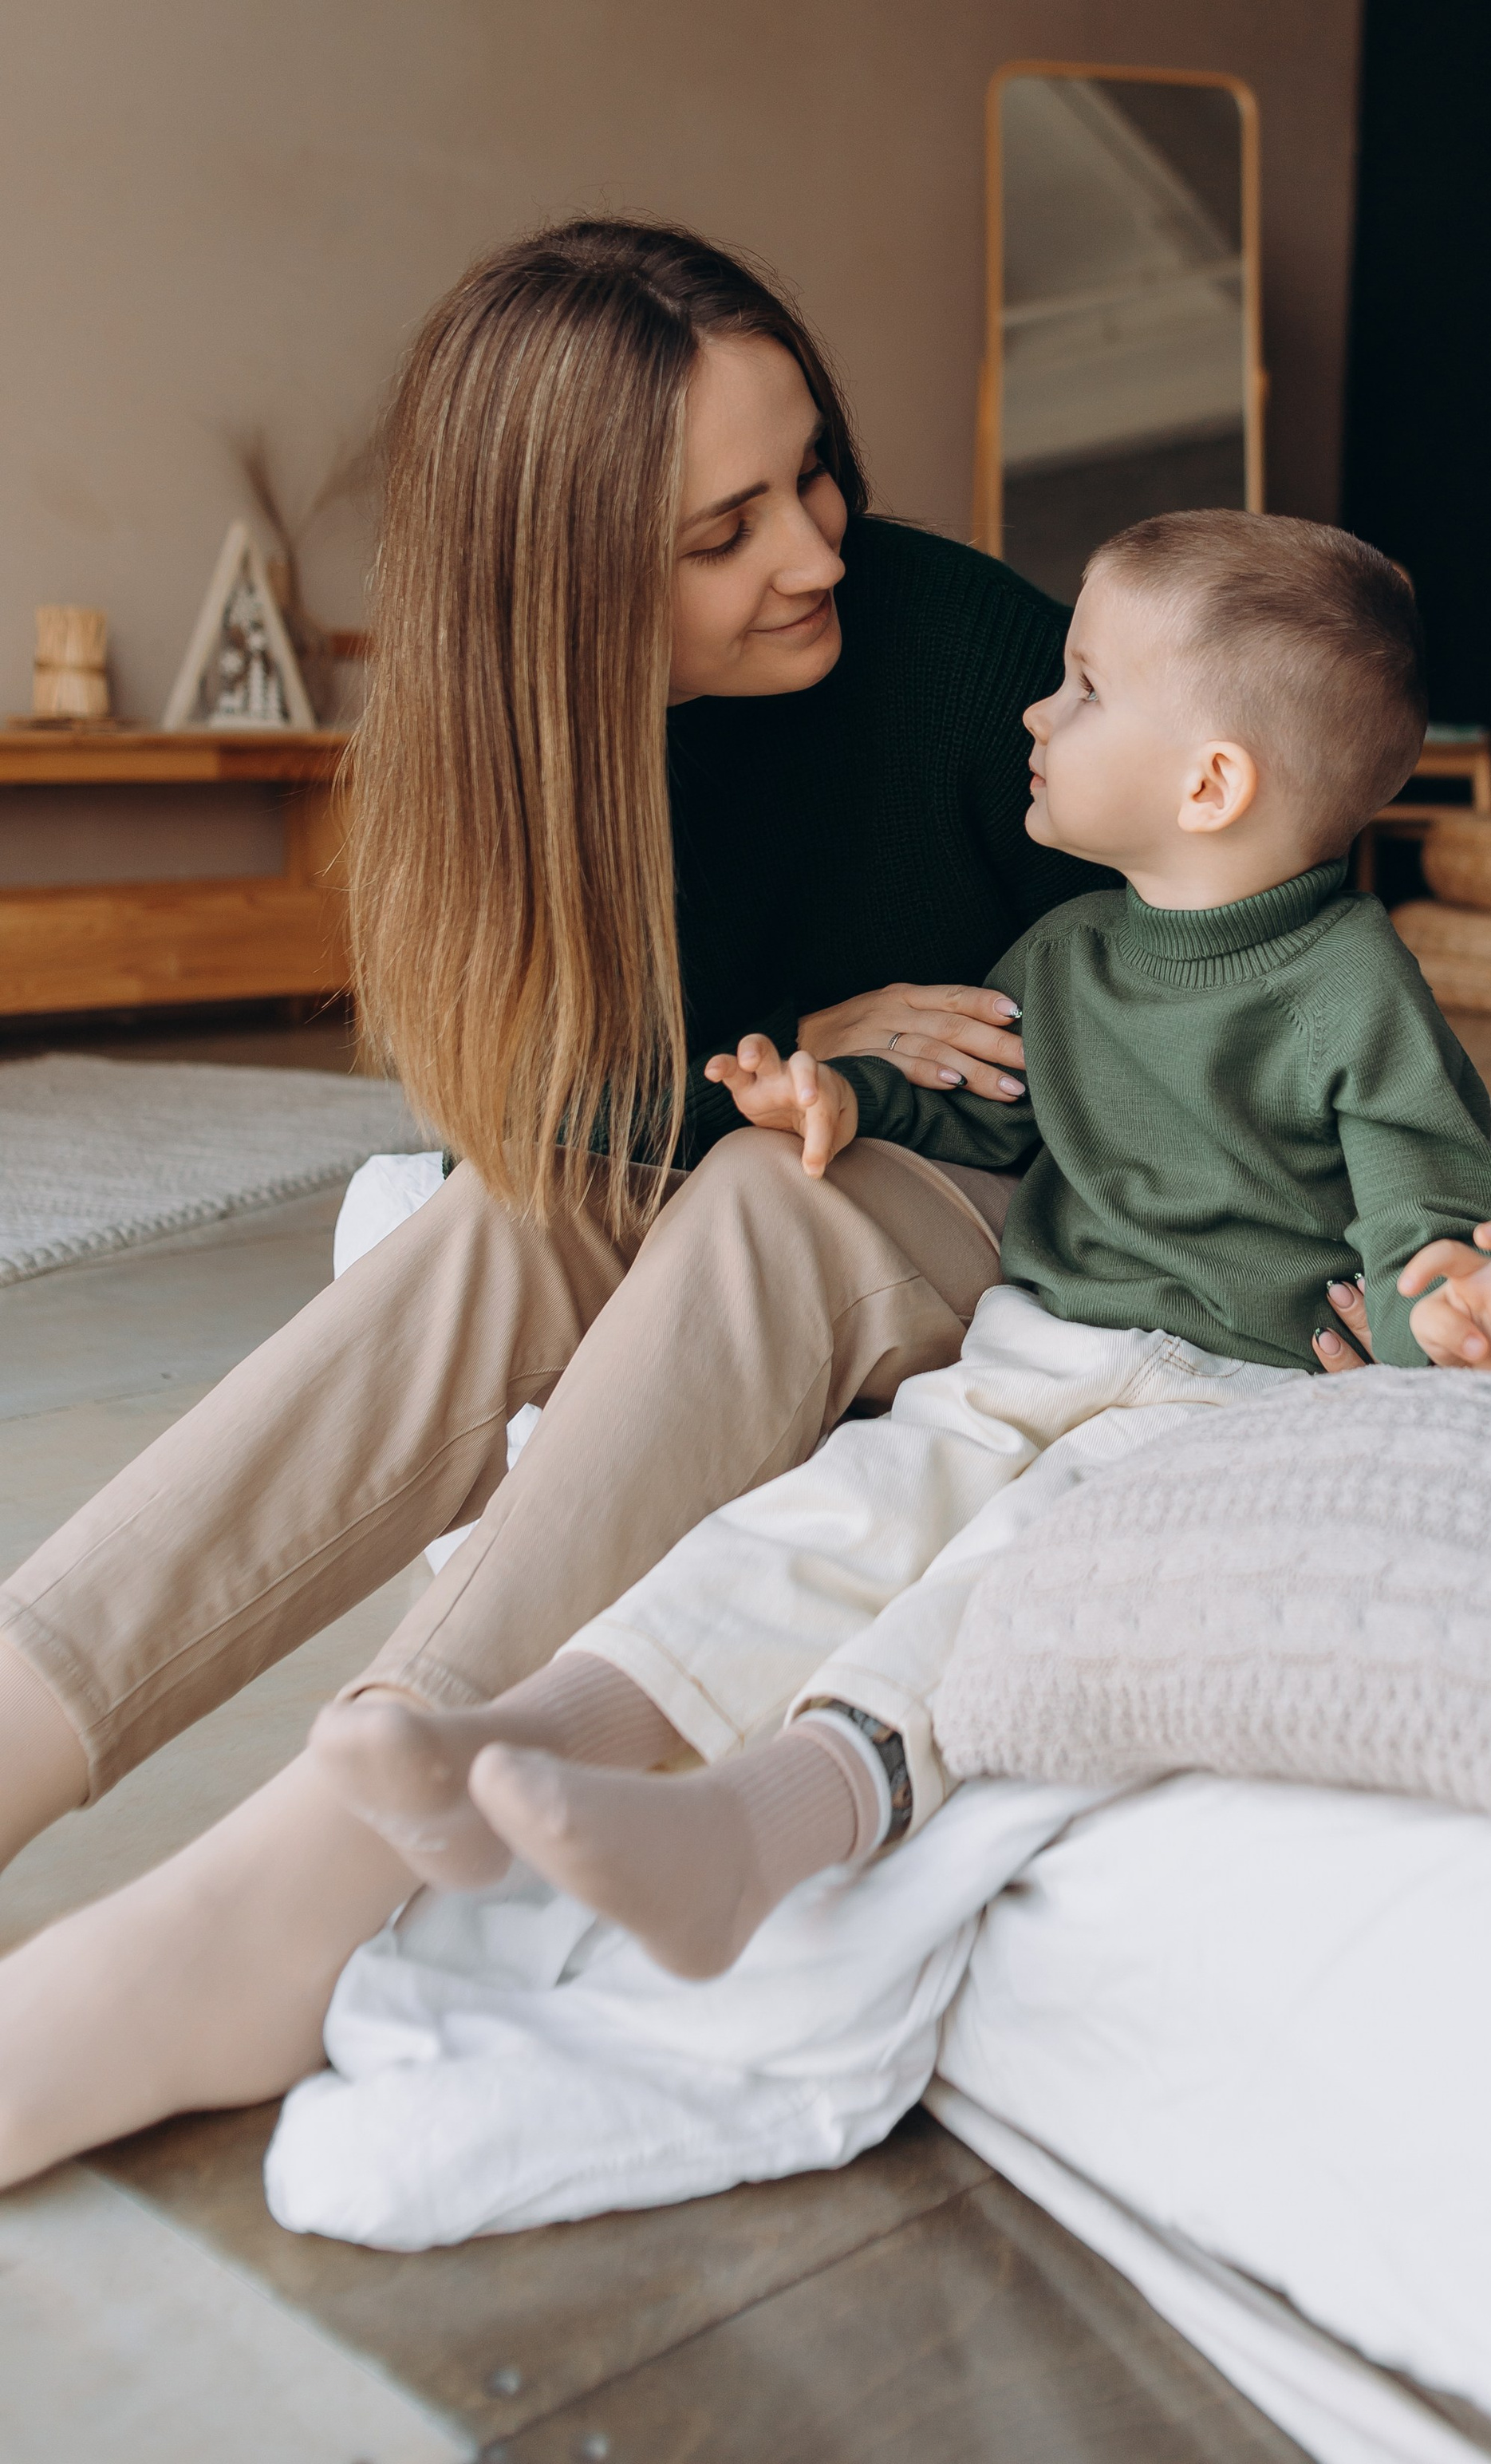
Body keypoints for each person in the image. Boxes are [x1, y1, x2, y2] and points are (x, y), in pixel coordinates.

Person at [0, 235, 1379, 2189]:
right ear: (562, 591)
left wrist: (1352, 1218)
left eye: (809, 474)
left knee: (764, 1198)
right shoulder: (507, 756)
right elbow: (541, 1099)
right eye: (721, 530)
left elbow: (1294, 903)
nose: (811, 547)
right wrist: (789, 1038)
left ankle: (288, 1897)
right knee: (497, 1219)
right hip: (792, 1127)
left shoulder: (956, 646)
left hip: (1042, 1198)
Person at [310, 511, 1491, 1982]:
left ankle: (754, 1838)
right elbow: (984, 1109)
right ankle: (514, 1736)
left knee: (1004, 1588)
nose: (1036, 708)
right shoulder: (1071, 953)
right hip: (1040, 1344)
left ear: (1211, 783)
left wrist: (1458, 1316)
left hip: (1227, 1397)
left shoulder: (1352, 987)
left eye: (1085, 688)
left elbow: (1430, 1203)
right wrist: (843, 1095)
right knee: (837, 1513)